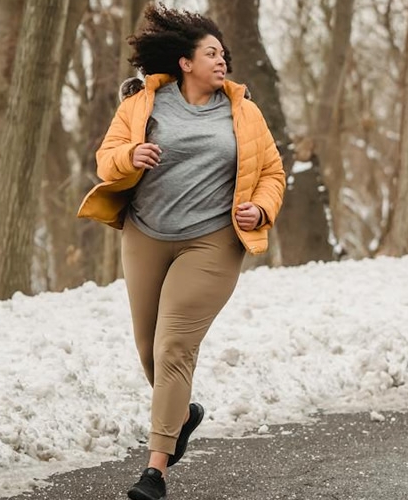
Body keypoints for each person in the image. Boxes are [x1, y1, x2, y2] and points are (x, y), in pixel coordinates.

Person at [77, 5, 285, 500]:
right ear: (185, 62)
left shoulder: (245, 113)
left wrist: (259, 207)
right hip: (145, 235)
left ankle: (155, 471)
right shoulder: (143, 104)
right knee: (150, 350)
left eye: (223, 54)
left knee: (174, 348)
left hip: (211, 240)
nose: (221, 60)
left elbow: (273, 174)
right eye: (210, 53)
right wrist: (131, 157)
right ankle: (183, 412)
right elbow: (108, 160)